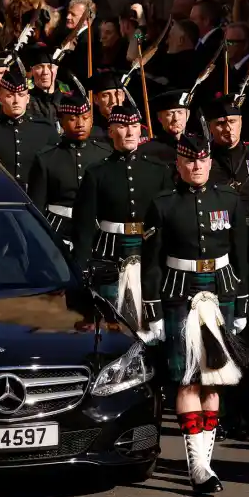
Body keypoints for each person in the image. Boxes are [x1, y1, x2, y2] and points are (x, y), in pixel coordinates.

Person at [140, 133, 247, 494]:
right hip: (178, 294)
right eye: (190, 160)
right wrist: (152, 309)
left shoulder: (229, 200)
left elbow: (241, 253)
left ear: (209, 162)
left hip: (220, 291)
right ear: (179, 164)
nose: (197, 166)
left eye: (203, 160)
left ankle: (206, 462)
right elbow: (151, 262)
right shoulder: (163, 204)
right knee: (187, 379)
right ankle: (197, 466)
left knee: (213, 380)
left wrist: (243, 301)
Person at [73, 104, 174, 329]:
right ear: (110, 132)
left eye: (134, 127)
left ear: (141, 131)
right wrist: (81, 267)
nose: (129, 133)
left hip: (149, 251)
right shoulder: (96, 172)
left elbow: (168, 220)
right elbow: (84, 224)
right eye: (122, 127)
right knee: (112, 321)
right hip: (108, 254)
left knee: (153, 323)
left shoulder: (158, 170)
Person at [28, 92, 112, 247]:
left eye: (85, 118)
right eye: (73, 119)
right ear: (61, 122)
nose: (80, 124)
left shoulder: (105, 154)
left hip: (98, 232)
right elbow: (37, 207)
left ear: (91, 119)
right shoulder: (46, 158)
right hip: (57, 229)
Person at [0, 65, 60, 189]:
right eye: (9, 96)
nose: (16, 101)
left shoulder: (46, 130)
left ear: (27, 98)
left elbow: (55, 169)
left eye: (20, 95)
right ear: (0, 99)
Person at [139, 89, 190, 165]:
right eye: (170, 114)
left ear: (187, 115)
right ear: (159, 118)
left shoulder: (197, 145)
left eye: (180, 112)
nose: (176, 118)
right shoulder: (150, 149)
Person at [23, 44, 67, 124]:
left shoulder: (67, 95)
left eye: (50, 67)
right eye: (40, 67)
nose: (45, 72)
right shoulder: (25, 97)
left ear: (57, 69)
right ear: (32, 70)